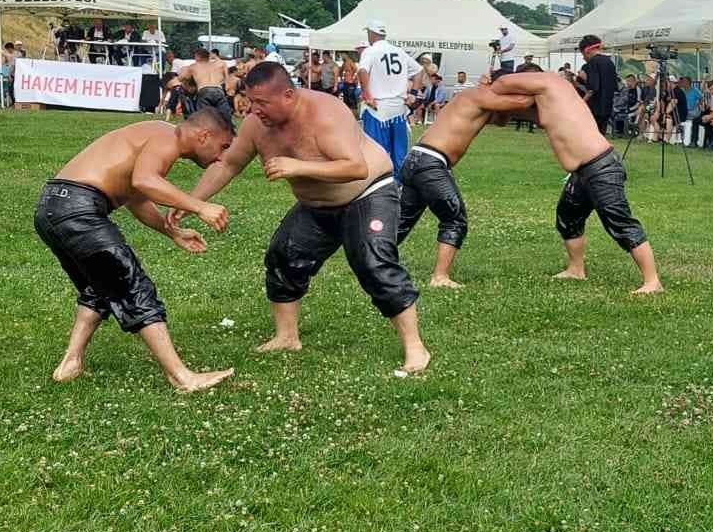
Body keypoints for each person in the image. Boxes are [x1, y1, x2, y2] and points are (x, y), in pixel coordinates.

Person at [181, 61, 431, 374]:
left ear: (288, 95)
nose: (253, 109)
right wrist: (191, 201)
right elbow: (228, 164)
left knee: (373, 264)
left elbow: (355, 167)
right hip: (315, 206)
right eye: (250, 100)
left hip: (369, 194)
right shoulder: (256, 125)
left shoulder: (326, 112)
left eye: (262, 103)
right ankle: (287, 337)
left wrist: (298, 167)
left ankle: (415, 347)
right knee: (283, 256)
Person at [34, 109, 236, 393]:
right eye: (223, 146)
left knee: (100, 285)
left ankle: (71, 362)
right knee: (132, 285)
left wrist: (172, 232)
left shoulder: (153, 134)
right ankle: (182, 377)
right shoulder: (168, 136)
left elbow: (137, 197)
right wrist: (200, 206)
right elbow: (146, 181)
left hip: (51, 206)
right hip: (78, 210)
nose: (221, 157)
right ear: (204, 135)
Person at [489, 70, 663, 295]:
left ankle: (652, 281)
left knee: (618, 221)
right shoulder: (545, 100)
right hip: (582, 171)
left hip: (601, 167)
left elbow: (502, 82)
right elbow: (502, 119)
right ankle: (575, 269)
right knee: (568, 216)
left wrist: (486, 88)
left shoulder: (550, 81)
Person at [396, 79, 535, 288]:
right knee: (454, 218)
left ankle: (369, 261)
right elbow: (522, 104)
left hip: (416, 160)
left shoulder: (482, 101)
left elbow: (501, 120)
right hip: (431, 163)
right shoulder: (477, 94)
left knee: (402, 220)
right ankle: (440, 277)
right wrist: (544, 88)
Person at [358, 19, 422, 168]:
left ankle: (381, 184)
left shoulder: (370, 50)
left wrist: (367, 94)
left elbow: (362, 71)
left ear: (371, 34)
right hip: (399, 108)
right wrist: (413, 93)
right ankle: (399, 185)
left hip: (378, 108)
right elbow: (419, 71)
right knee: (399, 152)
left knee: (377, 152)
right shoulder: (398, 51)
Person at [170, 47, 231, 121]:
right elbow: (226, 77)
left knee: (204, 119)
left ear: (197, 56)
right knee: (225, 119)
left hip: (204, 90)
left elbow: (180, 78)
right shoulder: (216, 65)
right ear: (208, 57)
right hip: (219, 90)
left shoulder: (194, 66)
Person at [578, 35, 619, 135]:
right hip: (607, 107)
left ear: (587, 50)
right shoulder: (609, 62)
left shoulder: (593, 62)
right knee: (601, 136)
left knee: (590, 136)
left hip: (595, 107)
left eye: (583, 54)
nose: (583, 58)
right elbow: (614, 86)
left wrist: (581, 103)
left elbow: (592, 88)